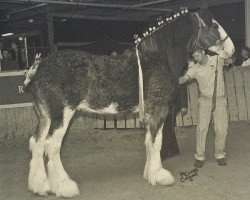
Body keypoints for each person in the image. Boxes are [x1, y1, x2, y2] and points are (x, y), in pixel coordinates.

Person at [179, 46, 230, 168]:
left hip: (220, 100)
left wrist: (216, 47)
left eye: (197, 55)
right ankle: (200, 156)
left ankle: (220, 154)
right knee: (201, 129)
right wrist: (171, 79)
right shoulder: (195, 68)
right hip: (205, 101)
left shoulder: (216, 60)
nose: (195, 58)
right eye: (194, 57)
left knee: (221, 128)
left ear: (203, 52)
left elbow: (227, 55)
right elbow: (183, 79)